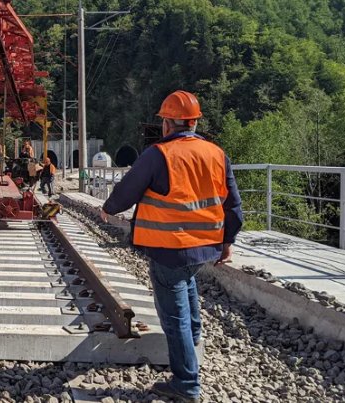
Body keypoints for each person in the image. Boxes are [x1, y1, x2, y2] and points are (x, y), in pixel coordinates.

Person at [101, 90, 243, 403]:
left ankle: (186, 383)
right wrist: (228, 241)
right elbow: (233, 204)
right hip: (204, 246)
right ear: (194, 122)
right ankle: (194, 344)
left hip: (170, 247)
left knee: (173, 316)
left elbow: (129, 189)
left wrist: (109, 208)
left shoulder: (159, 154)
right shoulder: (216, 154)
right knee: (187, 287)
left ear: (167, 123)